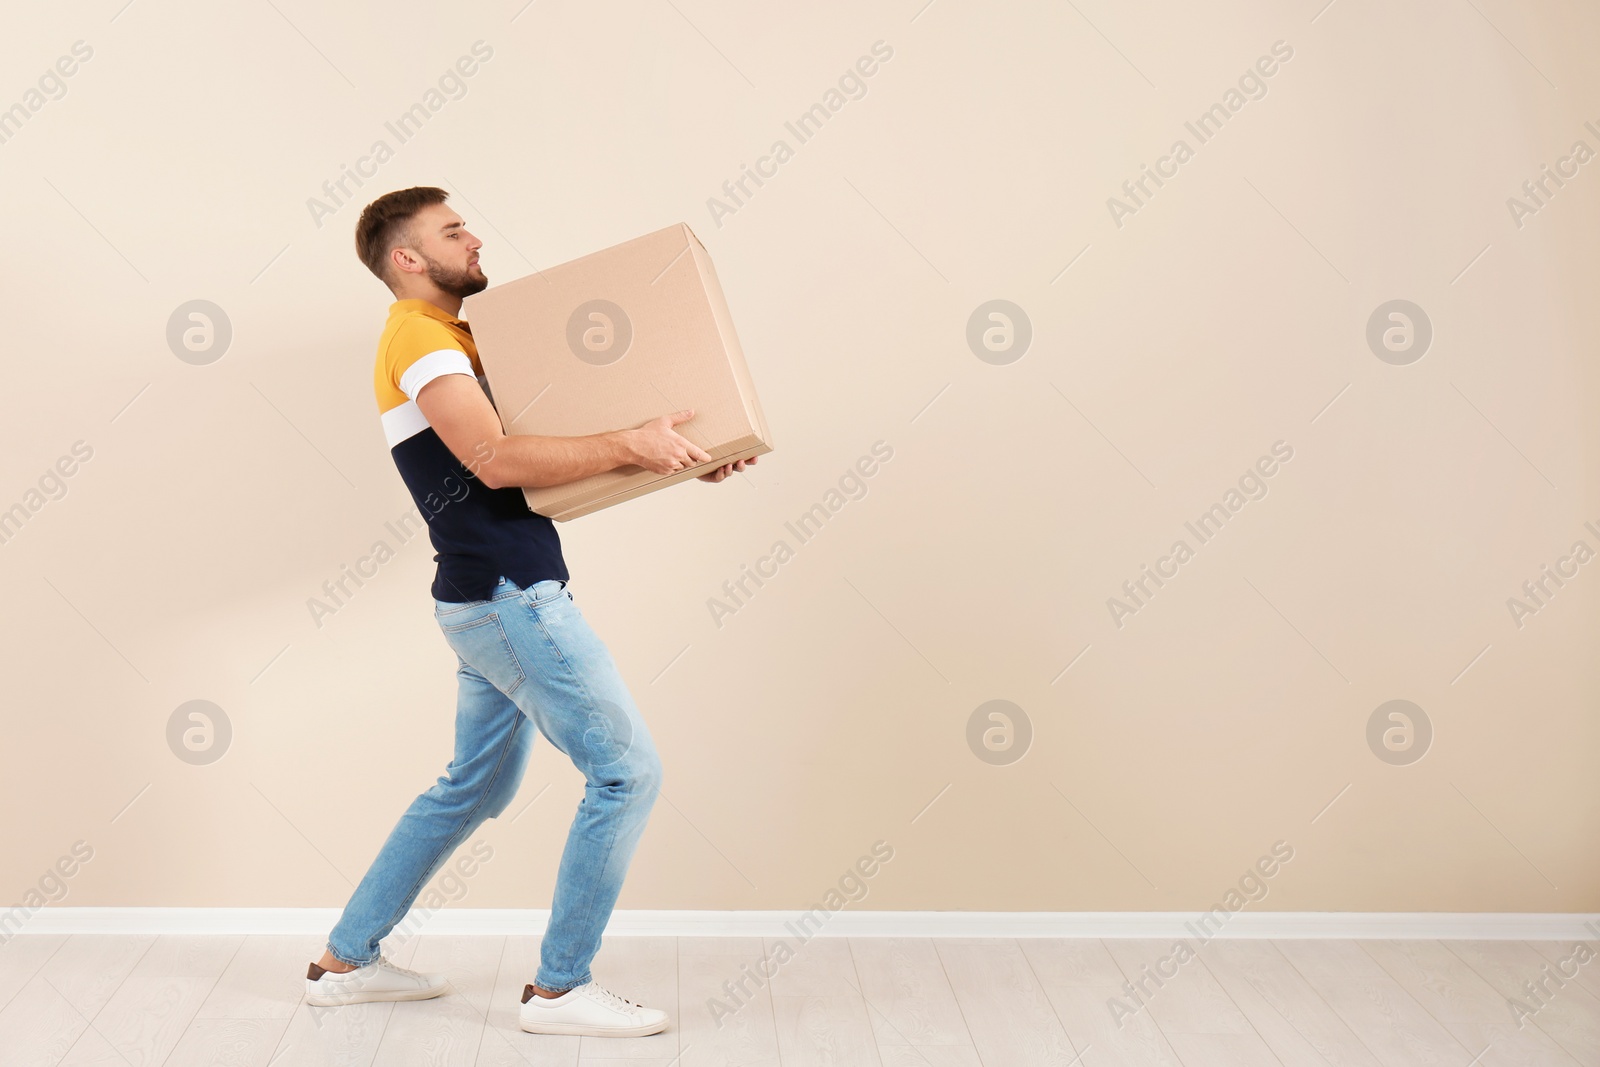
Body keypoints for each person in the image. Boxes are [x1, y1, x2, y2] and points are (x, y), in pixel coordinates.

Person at [302, 186, 755, 1037]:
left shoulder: (461, 339)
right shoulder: (421, 338)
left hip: (484, 596)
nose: (474, 238)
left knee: (470, 787)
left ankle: (344, 961)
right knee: (627, 773)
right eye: (453, 230)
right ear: (407, 258)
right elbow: (497, 459)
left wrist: (676, 456)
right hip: (511, 598)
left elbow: (545, 455)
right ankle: (559, 990)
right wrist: (632, 443)